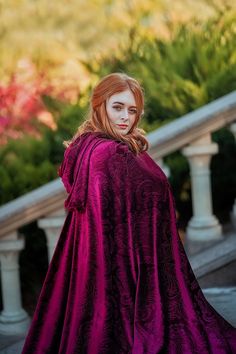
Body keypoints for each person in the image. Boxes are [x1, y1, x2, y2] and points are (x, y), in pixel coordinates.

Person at [21, 73, 236, 354]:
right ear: (100, 106)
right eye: (118, 107)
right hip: (130, 289)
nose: (125, 117)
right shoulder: (110, 154)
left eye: (132, 110)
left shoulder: (92, 147)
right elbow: (116, 231)